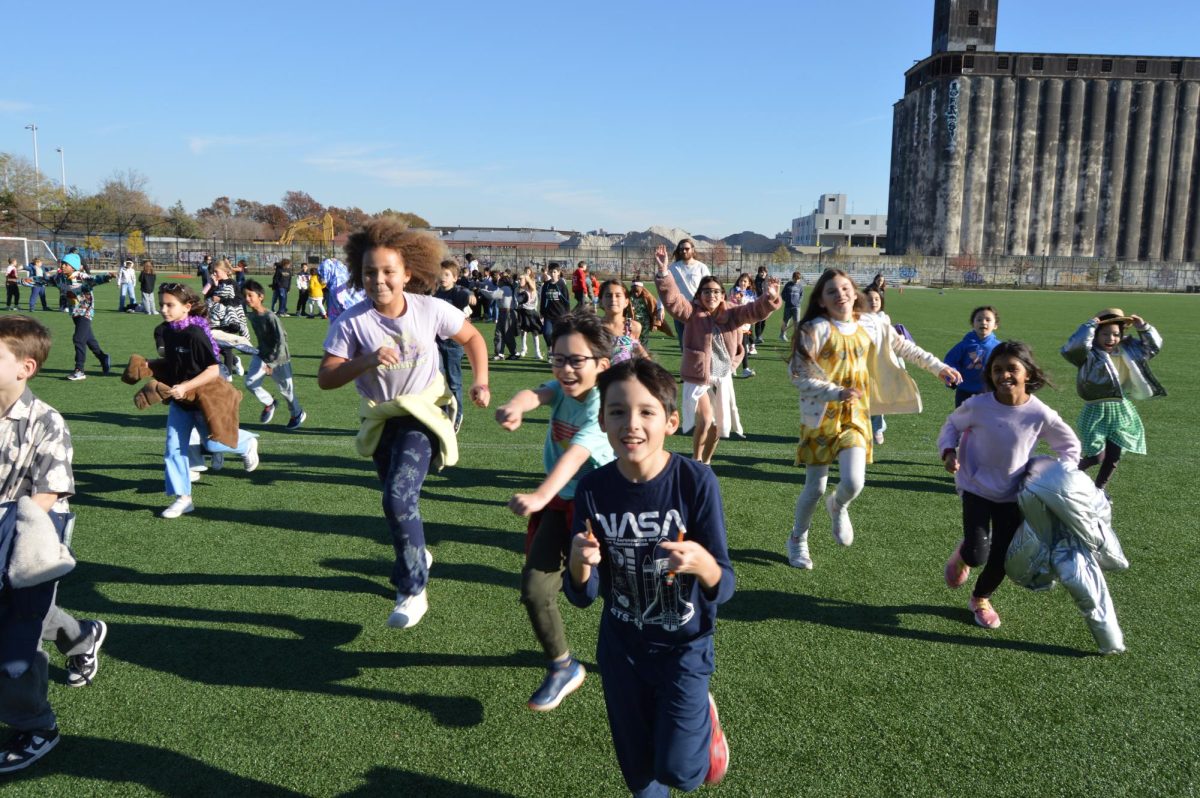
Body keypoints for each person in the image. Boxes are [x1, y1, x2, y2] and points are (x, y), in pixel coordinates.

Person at [566, 358, 733, 795]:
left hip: (684, 647)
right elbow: (582, 595)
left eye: (646, 412)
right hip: (622, 650)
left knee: (681, 773)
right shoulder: (592, 489)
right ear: (602, 420)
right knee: (641, 776)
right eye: (617, 411)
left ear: (672, 421)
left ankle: (705, 726)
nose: (631, 424)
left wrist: (703, 564)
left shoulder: (696, 481)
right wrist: (580, 561)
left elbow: (725, 584)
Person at [319, 220, 490, 629]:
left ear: (407, 273)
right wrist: (367, 359)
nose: (379, 280)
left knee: (397, 499)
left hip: (425, 415)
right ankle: (418, 553)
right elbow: (327, 378)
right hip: (382, 420)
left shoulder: (430, 309)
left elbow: (473, 339)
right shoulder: (351, 322)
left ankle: (413, 588)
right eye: (369, 273)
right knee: (400, 505)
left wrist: (481, 382)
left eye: (388, 271)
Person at [785, 269, 961, 570]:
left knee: (854, 482)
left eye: (844, 289)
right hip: (821, 416)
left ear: (855, 293)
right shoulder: (814, 329)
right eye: (831, 291)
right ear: (822, 301)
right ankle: (798, 540)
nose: (840, 294)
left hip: (856, 412)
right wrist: (836, 392)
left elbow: (904, 346)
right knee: (814, 487)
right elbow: (798, 374)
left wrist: (939, 367)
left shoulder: (873, 322)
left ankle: (838, 505)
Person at [0, 315, 109, 774]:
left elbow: (48, 494)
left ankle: (37, 726)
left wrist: (8, 535)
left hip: (31, 534)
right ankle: (82, 636)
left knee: (12, 649)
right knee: (27, 615)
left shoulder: (45, 421)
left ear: (25, 367)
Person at [494, 312, 613, 712]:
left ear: (602, 365)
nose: (565, 369)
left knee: (625, 598)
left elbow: (576, 455)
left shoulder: (603, 408)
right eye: (558, 358)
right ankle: (563, 665)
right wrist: (515, 407)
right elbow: (537, 393)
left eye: (576, 360)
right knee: (535, 589)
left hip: (606, 513)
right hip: (561, 506)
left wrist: (541, 495)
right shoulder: (563, 387)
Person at [939, 341, 1080, 629]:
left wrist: (1058, 478)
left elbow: (1070, 446)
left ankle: (980, 599)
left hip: (1014, 494)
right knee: (978, 552)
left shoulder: (1039, 413)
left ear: (1027, 373)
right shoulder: (978, 406)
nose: (1004, 375)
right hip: (975, 486)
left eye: (1012, 369)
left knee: (1002, 555)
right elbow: (951, 425)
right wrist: (948, 451)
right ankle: (964, 555)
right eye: (997, 369)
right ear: (990, 374)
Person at [654, 245, 780, 464]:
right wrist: (664, 272)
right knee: (705, 419)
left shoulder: (732, 312)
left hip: (722, 377)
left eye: (715, 291)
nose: (711, 295)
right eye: (706, 291)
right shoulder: (692, 313)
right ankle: (695, 459)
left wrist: (769, 298)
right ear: (699, 295)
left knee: (717, 425)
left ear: (723, 295)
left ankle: (706, 462)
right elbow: (673, 301)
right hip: (698, 377)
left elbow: (753, 312)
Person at [156, 283, 261, 519]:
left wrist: (186, 386)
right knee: (173, 449)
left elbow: (213, 370)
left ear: (187, 307)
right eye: (162, 304)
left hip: (205, 399)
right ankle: (183, 499)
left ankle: (247, 443)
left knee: (213, 444)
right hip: (180, 403)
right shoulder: (168, 330)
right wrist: (148, 367)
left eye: (170, 305)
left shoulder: (195, 334)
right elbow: (173, 364)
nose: (164, 309)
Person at [1061, 308, 1165, 492]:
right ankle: (1064, 475)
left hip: (1121, 409)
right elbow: (1071, 349)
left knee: (1114, 455)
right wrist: (1089, 326)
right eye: (1105, 334)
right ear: (1095, 335)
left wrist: (1144, 328)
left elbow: (1153, 347)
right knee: (1096, 456)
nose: (1111, 339)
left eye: (1116, 334)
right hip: (1096, 410)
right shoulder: (1088, 354)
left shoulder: (1129, 350)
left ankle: (1099, 490)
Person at [242, 280, 305, 430]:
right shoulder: (252, 316)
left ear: (261, 297)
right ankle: (269, 403)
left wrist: (272, 364)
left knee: (286, 391)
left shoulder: (270, 317)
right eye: (245, 296)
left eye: (250, 295)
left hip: (280, 358)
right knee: (250, 383)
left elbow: (282, 341)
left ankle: (297, 414)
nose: (247, 299)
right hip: (262, 355)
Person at [432, 261, 476, 432]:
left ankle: (456, 416)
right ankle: (442, 415)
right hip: (436, 342)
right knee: (438, 379)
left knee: (454, 382)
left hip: (454, 343)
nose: (443, 278)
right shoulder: (435, 293)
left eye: (447, 275)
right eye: (440, 274)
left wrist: (471, 295)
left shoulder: (457, 293)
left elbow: (466, 293)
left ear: (455, 278)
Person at [53, 264, 113, 382]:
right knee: (89, 340)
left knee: (78, 339)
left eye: (66, 264)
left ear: (73, 266)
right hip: (74, 312)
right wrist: (21, 281)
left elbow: (94, 280)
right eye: (62, 264)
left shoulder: (81, 276)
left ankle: (79, 370)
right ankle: (103, 357)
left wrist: (107, 277)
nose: (63, 266)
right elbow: (43, 280)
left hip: (86, 311)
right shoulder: (59, 278)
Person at [943, 306, 1001, 408]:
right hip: (965, 391)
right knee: (963, 421)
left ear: (995, 325)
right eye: (979, 319)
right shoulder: (964, 345)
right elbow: (950, 361)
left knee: (987, 421)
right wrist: (952, 375)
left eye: (988, 320)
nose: (983, 322)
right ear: (973, 324)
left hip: (989, 392)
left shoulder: (999, 347)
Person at [666, 240, 710, 345]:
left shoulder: (701, 267)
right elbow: (665, 288)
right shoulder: (673, 268)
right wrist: (660, 308)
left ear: (693, 250)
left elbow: (709, 286)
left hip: (698, 309)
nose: (684, 251)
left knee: (701, 342)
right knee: (684, 343)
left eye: (687, 249)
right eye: (681, 249)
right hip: (680, 310)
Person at [597, 280, 648, 365]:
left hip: (624, 376)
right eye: (608, 295)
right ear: (601, 301)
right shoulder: (594, 327)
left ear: (626, 302)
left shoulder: (633, 327)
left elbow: (641, 358)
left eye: (618, 295)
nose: (613, 299)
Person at [728, 272, 758, 377]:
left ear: (749, 283)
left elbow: (752, 307)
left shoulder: (751, 293)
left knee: (743, 346)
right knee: (733, 346)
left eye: (745, 281)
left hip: (745, 325)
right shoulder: (733, 290)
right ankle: (733, 368)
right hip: (733, 323)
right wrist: (738, 300)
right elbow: (730, 304)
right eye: (741, 281)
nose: (742, 283)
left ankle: (744, 369)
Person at [538, 262, 571, 350]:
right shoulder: (546, 285)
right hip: (548, 315)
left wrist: (568, 314)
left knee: (560, 336)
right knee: (547, 333)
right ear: (548, 272)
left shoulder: (562, 285)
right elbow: (543, 299)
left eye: (555, 272)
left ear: (559, 272)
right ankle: (550, 348)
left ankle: (557, 351)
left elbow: (567, 301)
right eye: (551, 272)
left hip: (560, 315)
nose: (553, 274)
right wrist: (541, 312)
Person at [515, 268, 544, 360]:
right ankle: (524, 349)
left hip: (532, 312)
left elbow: (533, 288)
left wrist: (526, 277)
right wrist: (522, 278)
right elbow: (521, 286)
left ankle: (537, 352)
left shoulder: (533, 287)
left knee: (535, 333)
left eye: (529, 272)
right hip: (523, 311)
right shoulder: (521, 289)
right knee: (524, 332)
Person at [779, 271, 804, 341]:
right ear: (793, 278)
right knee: (786, 321)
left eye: (798, 279)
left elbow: (801, 295)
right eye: (795, 279)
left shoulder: (800, 286)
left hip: (797, 307)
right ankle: (782, 334)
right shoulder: (788, 285)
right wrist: (787, 300)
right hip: (788, 306)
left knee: (797, 323)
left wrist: (799, 301)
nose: (797, 280)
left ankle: (796, 337)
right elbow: (783, 294)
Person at [752, 265, 770, 344]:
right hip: (758, 303)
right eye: (761, 272)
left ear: (766, 273)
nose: (762, 274)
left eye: (764, 272)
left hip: (766, 304)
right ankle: (758, 336)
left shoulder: (768, 281)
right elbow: (753, 291)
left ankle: (759, 335)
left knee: (764, 321)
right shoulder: (755, 281)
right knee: (758, 321)